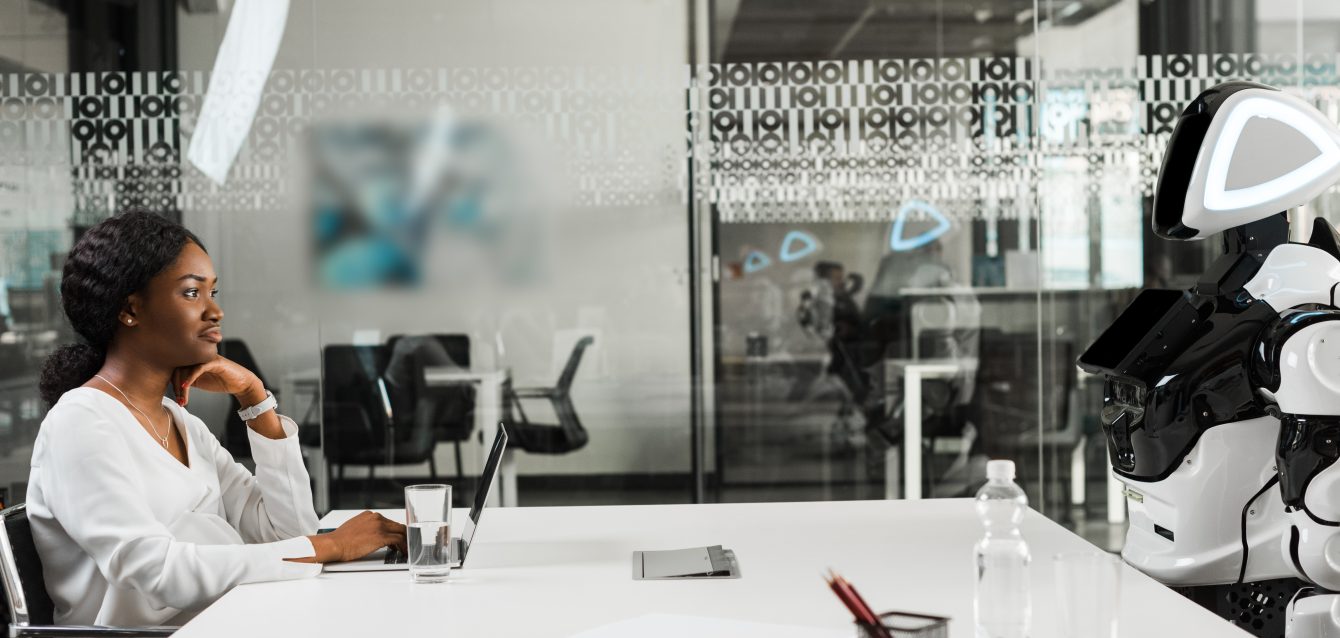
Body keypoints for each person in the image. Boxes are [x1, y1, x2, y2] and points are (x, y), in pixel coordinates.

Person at [25, 211, 407, 627]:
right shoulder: (80, 423)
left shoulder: (178, 420)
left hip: (224, 619)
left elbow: (290, 531)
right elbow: (157, 571)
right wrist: (329, 547)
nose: (215, 312)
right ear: (130, 308)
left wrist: (255, 400)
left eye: (214, 292)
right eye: (192, 293)